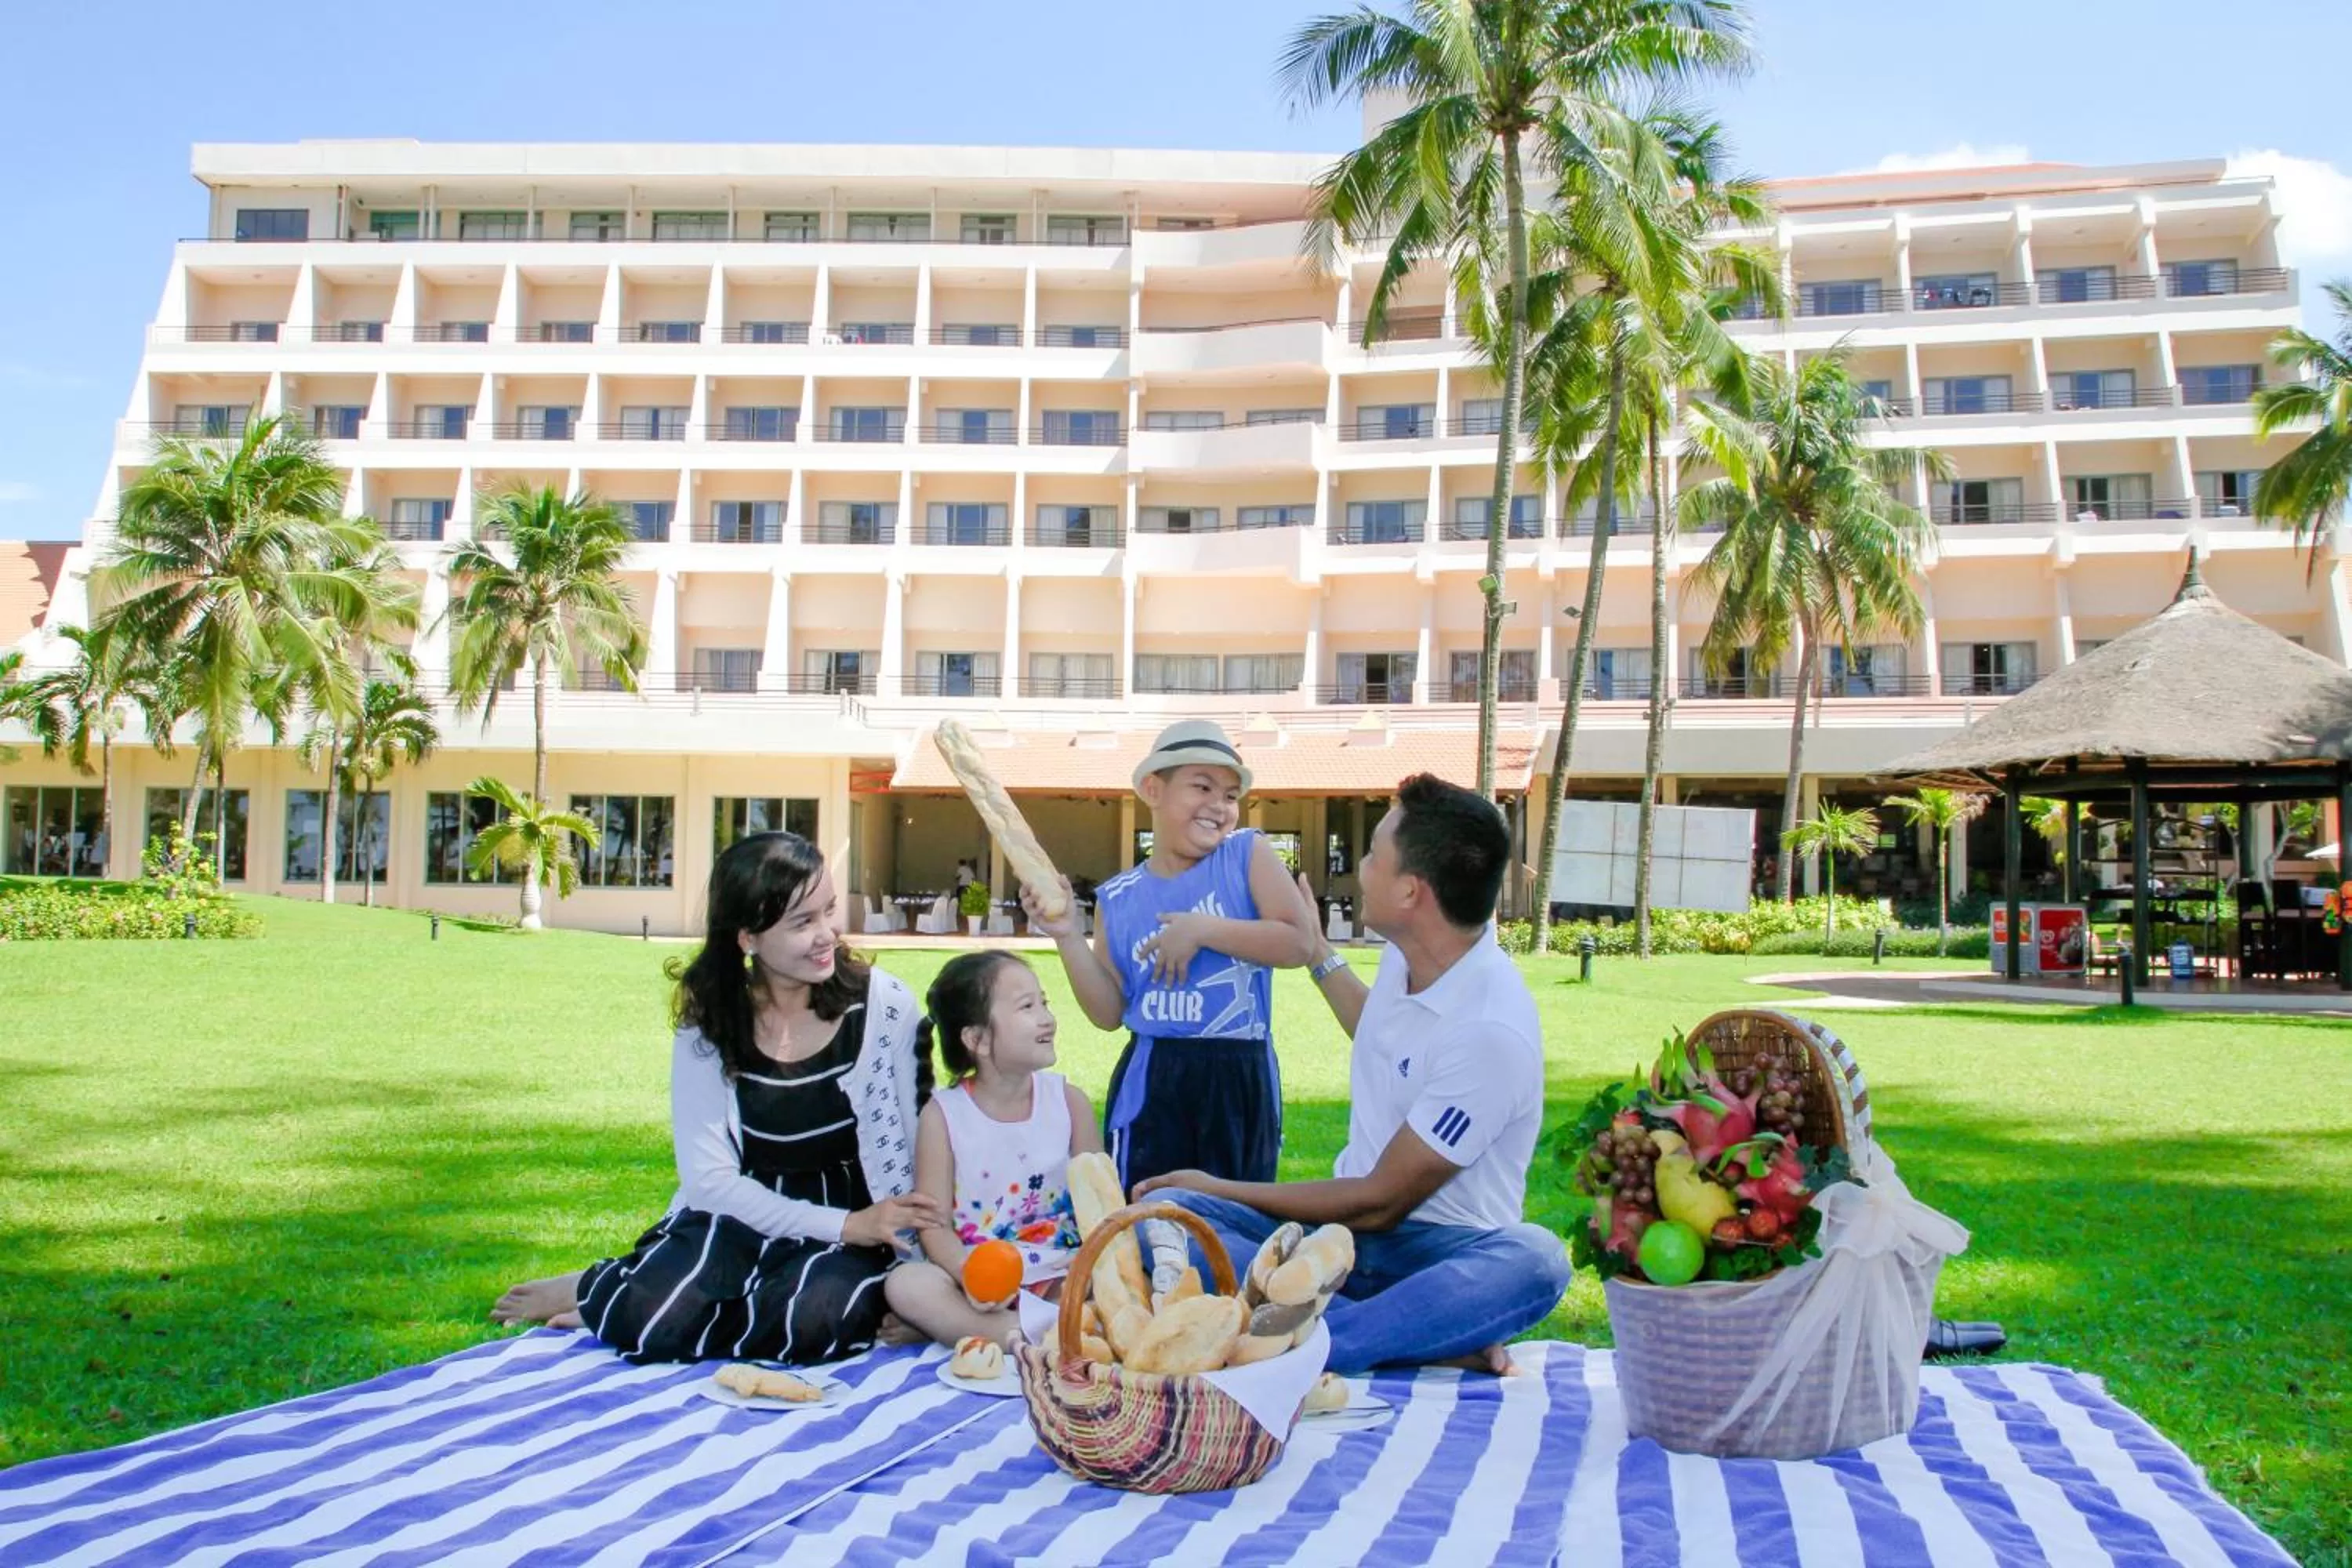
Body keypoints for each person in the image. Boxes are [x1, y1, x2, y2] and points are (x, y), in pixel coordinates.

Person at [1138, 773, 1572, 1375]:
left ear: (1411, 893)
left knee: (1538, 1259)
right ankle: (1414, 1336)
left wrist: (1217, 1186)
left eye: (1372, 855)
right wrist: (1320, 957)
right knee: (1162, 1213)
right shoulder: (1418, 950)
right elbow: (1388, 1037)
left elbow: (1380, 1203)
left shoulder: (1491, 1031)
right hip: (1341, 1244)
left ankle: (1312, 1342)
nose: (1360, 867)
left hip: (1438, 1258)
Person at [490, 831, 946, 1363]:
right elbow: (710, 1184)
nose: (827, 936)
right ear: (748, 938)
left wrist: (922, 1271)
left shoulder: (884, 1005)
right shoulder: (710, 1022)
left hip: (856, 1206)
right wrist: (846, 1227)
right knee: (659, 1312)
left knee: (816, 1320)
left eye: (828, 912)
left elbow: (924, 1134)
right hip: (741, 1209)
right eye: (802, 923)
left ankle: (620, 1299)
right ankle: (613, 1290)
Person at [1024, 719, 1319, 1189]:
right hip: (1155, 1072)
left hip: (1241, 1071)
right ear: (1153, 790)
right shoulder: (1118, 898)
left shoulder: (1246, 854)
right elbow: (1109, 1012)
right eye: (1201, 786)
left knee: (1237, 1222)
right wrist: (1065, 935)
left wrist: (1202, 930)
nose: (1219, 807)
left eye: (1229, 795)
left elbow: (1298, 943)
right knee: (1147, 1215)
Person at [884, 951, 1099, 1347]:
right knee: (907, 1283)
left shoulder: (1070, 1103)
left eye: (1045, 1003)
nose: (1047, 1017)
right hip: (983, 1284)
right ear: (977, 1039)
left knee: (1134, 1275)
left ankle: (993, 1330)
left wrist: (1093, 1274)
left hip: (1065, 1276)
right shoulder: (944, 1116)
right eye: (1027, 1006)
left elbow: (1101, 1210)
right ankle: (1026, 1333)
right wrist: (967, 1273)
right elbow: (933, 1224)